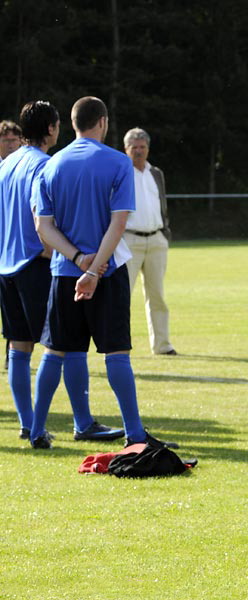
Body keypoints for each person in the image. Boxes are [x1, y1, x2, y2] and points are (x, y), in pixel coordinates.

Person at [31, 96, 175, 449]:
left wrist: (78, 259)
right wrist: (94, 269)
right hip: (107, 274)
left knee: (56, 351)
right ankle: (135, 432)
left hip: (64, 273)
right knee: (116, 353)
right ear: (104, 122)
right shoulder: (117, 162)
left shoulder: (50, 165)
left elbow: (43, 227)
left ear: (73, 123)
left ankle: (36, 430)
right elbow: (118, 221)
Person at [0, 100, 123, 443]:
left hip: (5, 268)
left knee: (18, 348)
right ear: (53, 128)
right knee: (66, 344)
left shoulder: (6, 165)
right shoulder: (45, 165)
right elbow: (44, 222)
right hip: (35, 265)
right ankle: (82, 422)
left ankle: (28, 423)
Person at [122, 127, 176, 356]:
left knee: (157, 297)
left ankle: (162, 345)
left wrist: (165, 233)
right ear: (126, 149)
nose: (138, 151)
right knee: (122, 296)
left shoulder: (156, 173)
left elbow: (162, 204)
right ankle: (119, 344)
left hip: (156, 240)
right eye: (134, 147)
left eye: (142, 147)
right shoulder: (121, 173)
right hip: (128, 239)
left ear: (148, 148)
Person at [1, 120, 22, 372]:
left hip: (10, 251)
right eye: (6, 140)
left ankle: (11, 356)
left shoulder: (21, 170)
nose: (10, 144)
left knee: (11, 311)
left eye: (15, 140)